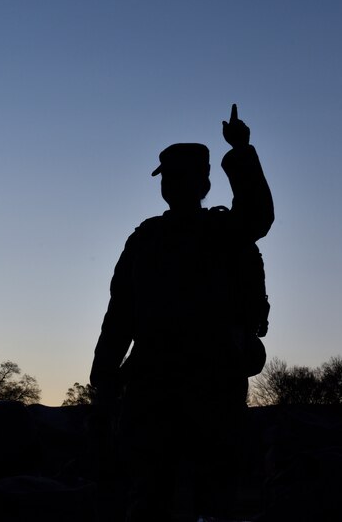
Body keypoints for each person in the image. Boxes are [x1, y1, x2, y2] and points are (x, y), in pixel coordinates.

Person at [89, 104, 274, 521]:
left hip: (213, 383)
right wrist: (104, 377)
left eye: (178, 176)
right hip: (152, 386)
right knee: (149, 497)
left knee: (214, 498)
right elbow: (120, 314)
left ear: (203, 183)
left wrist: (241, 151)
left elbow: (258, 216)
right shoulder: (145, 239)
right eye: (166, 177)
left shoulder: (223, 231)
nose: (170, 184)